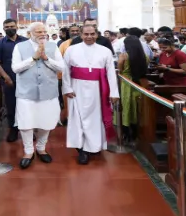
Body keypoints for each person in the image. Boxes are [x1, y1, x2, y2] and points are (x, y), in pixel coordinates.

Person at [63, 24, 119, 165]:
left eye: (92, 34)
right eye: (86, 34)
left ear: (97, 34)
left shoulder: (105, 51)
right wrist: (67, 88)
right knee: (78, 119)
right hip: (76, 89)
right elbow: (65, 70)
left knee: (95, 119)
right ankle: (81, 149)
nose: (89, 37)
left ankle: (93, 146)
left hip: (97, 90)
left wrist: (114, 92)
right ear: (81, 35)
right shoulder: (71, 49)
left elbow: (111, 73)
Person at [11, 22, 65, 168]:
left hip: (48, 92)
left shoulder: (53, 47)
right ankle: (28, 151)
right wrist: (33, 58)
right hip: (26, 93)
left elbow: (61, 67)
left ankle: (41, 148)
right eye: (38, 31)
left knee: (46, 121)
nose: (42, 34)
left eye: (43, 31)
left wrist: (46, 59)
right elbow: (15, 68)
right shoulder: (19, 47)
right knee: (26, 123)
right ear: (30, 34)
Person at [0, 18, 28, 142]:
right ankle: (13, 129)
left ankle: (28, 130)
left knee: (27, 105)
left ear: (17, 26)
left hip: (26, 80)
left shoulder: (26, 41)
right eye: (7, 27)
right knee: (11, 105)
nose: (9, 28)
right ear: (3, 28)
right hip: (9, 80)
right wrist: (6, 77)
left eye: (12, 26)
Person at [117, 34, 148, 136]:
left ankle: (126, 132)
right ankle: (135, 131)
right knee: (135, 107)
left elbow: (119, 70)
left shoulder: (123, 56)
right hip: (138, 83)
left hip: (125, 83)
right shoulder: (145, 57)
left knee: (126, 106)